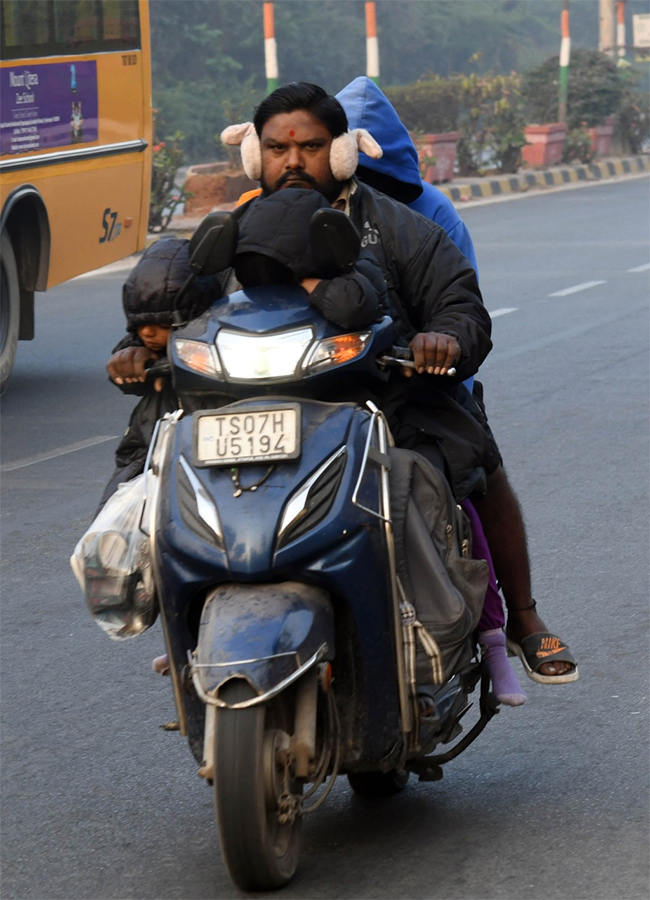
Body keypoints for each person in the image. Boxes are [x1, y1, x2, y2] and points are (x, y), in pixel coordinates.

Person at [335, 76, 577, 687]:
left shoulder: (428, 215)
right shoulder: (285, 213)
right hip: (322, 381)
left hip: (419, 381)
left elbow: (460, 303)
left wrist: (441, 344)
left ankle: (521, 614)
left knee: (482, 470)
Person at [99, 237, 224, 511]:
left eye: (162, 324)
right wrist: (132, 356)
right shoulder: (142, 350)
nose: (148, 333)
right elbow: (129, 364)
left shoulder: (226, 344)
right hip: (149, 454)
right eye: (141, 324)